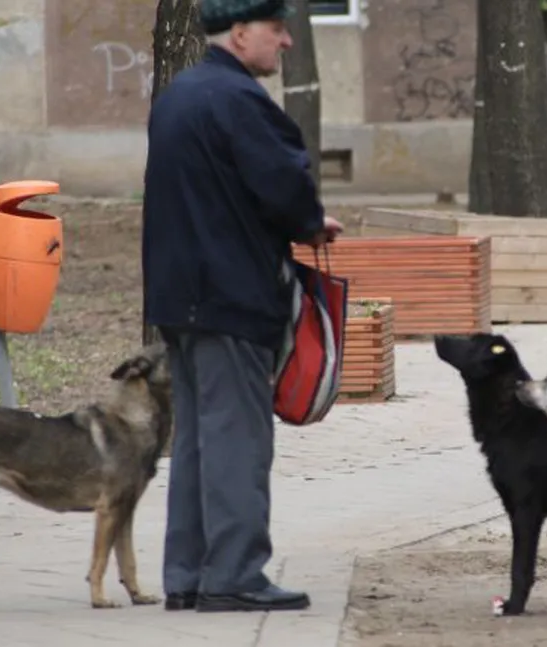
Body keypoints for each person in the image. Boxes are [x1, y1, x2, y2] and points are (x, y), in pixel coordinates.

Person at [140, 0, 344, 613]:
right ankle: (234, 576)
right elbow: (282, 186)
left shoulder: (179, 95)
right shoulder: (240, 100)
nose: (285, 43)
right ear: (240, 33)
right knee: (237, 440)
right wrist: (311, 222)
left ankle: (189, 576)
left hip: (181, 296)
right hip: (229, 293)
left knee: (201, 439)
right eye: (277, 31)